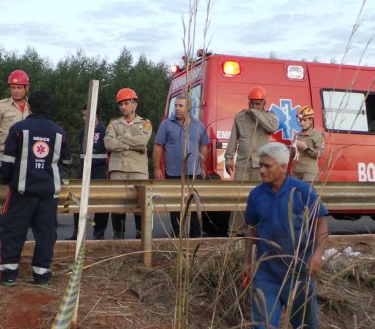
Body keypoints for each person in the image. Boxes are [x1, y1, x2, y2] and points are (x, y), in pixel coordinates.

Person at [234, 142, 331, 329]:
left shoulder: (302, 191)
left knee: (305, 327)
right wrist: (247, 261)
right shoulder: (256, 194)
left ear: (282, 166)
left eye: (267, 166)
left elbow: (321, 224)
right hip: (267, 273)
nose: (262, 171)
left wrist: (318, 254)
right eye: (260, 165)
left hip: (299, 272)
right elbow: (252, 229)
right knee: (263, 327)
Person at [0, 90, 72, 286]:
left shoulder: (19, 129)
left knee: (13, 230)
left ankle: (9, 274)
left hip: (22, 192)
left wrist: (5, 179)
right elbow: (67, 160)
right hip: (48, 194)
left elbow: (9, 162)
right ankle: (41, 275)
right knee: (46, 233)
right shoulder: (60, 133)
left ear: (30, 106)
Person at [0, 70, 31, 242]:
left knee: (20, 199)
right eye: (13, 87)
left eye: (19, 87)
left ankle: (15, 236)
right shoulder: (1, 106)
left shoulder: (33, 108)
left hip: (24, 159)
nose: (16, 91)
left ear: (27, 88)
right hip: (2, 156)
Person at [224, 86, 279, 235]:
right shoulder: (240, 117)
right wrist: (229, 158)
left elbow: (272, 127)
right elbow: (233, 139)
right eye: (252, 103)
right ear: (248, 101)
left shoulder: (270, 117)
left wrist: (256, 113)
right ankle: (233, 234)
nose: (254, 106)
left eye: (258, 103)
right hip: (243, 165)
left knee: (261, 200)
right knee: (239, 200)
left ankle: (259, 233)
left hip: (261, 167)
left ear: (264, 103)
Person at [153, 94, 210, 237]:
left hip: (194, 173)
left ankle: (194, 239)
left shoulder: (198, 126)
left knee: (194, 207)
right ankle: (177, 239)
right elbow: (158, 147)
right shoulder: (166, 124)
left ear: (189, 108)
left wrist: (203, 166)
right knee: (176, 209)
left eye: (181, 106)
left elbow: (204, 146)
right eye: (176, 105)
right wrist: (157, 168)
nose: (177, 108)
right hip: (174, 173)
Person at [104, 87, 152, 240]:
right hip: (117, 168)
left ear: (134, 103)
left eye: (125, 103)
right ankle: (118, 237)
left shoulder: (145, 123)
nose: (123, 107)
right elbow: (109, 143)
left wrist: (121, 138)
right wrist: (132, 145)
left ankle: (141, 237)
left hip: (138, 169)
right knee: (117, 205)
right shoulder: (114, 123)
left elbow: (142, 141)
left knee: (141, 205)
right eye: (120, 104)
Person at [67, 105, 110, 240]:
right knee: (76, 198)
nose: (84, 118)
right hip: (84, 171)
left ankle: (99, 232)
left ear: (96, 115)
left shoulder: (104, 131)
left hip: (100, 170)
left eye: (87, 115)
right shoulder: (83, 132)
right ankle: (77, 232)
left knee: (101, 201)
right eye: (83, 115)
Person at [289, 105, 325, 182]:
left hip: (309, 172)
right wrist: (292, 149)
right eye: (300, 120)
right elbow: (292, 155)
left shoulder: (317, 135)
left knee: (307, 193)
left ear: (311, 120)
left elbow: (319, 154)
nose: (302, 123)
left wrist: (306, 149)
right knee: (294, 193)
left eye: (304, 120)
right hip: (296, 172)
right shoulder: (297, 135)